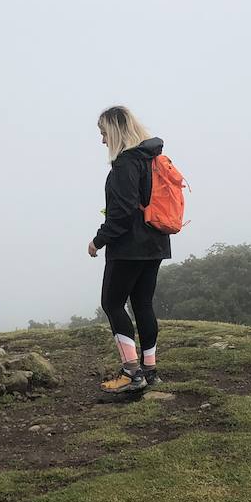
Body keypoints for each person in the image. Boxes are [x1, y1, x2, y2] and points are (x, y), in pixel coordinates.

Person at [88, 105, 172, 393]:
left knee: (112, 303)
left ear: (115, 131)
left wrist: (98, 240)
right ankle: (150, 371)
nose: (102, 140)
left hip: (129, 247)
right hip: (156, 243)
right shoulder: (151, 159)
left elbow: (122, 213)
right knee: (143, 304)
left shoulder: (125, 163)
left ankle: (130, 373)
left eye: (103, 133)